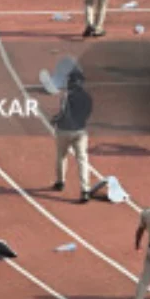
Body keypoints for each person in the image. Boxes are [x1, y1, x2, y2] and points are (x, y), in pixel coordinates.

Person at [52, 68, 93, 202]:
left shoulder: (66, 96)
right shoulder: (87, 97)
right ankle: (85, 190)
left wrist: (55, 119)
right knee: (82, 159)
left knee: (61, 156)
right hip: (80, 131)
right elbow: (88, 113)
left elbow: (62, 113)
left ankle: (60, 182)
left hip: (64, 130)